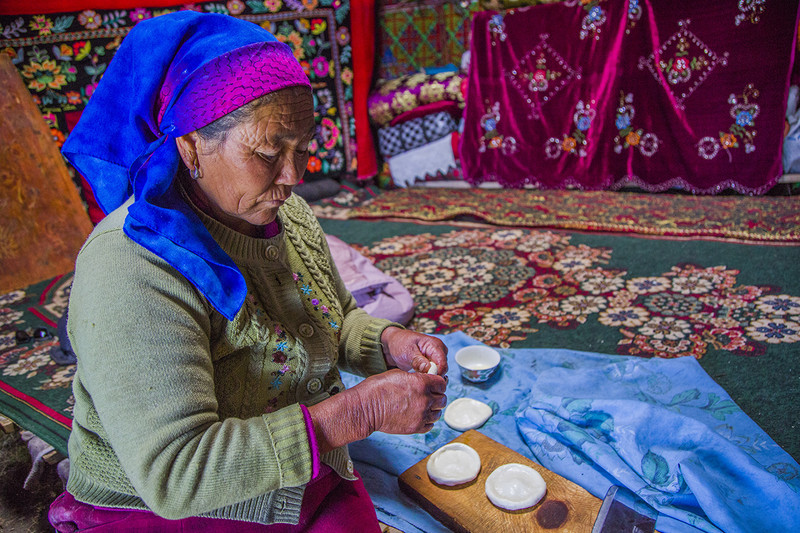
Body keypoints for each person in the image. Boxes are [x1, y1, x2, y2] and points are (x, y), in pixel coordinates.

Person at [48, 11, 448, 532]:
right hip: (158, 505)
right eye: (267, 152)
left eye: (302, 149)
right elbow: (175, 474)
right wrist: (356, 414)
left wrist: (389, 343)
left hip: (298, 464)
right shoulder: (131, 265)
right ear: (189, 143)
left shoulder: (286, 213)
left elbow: (334, 317)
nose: (293, 176)